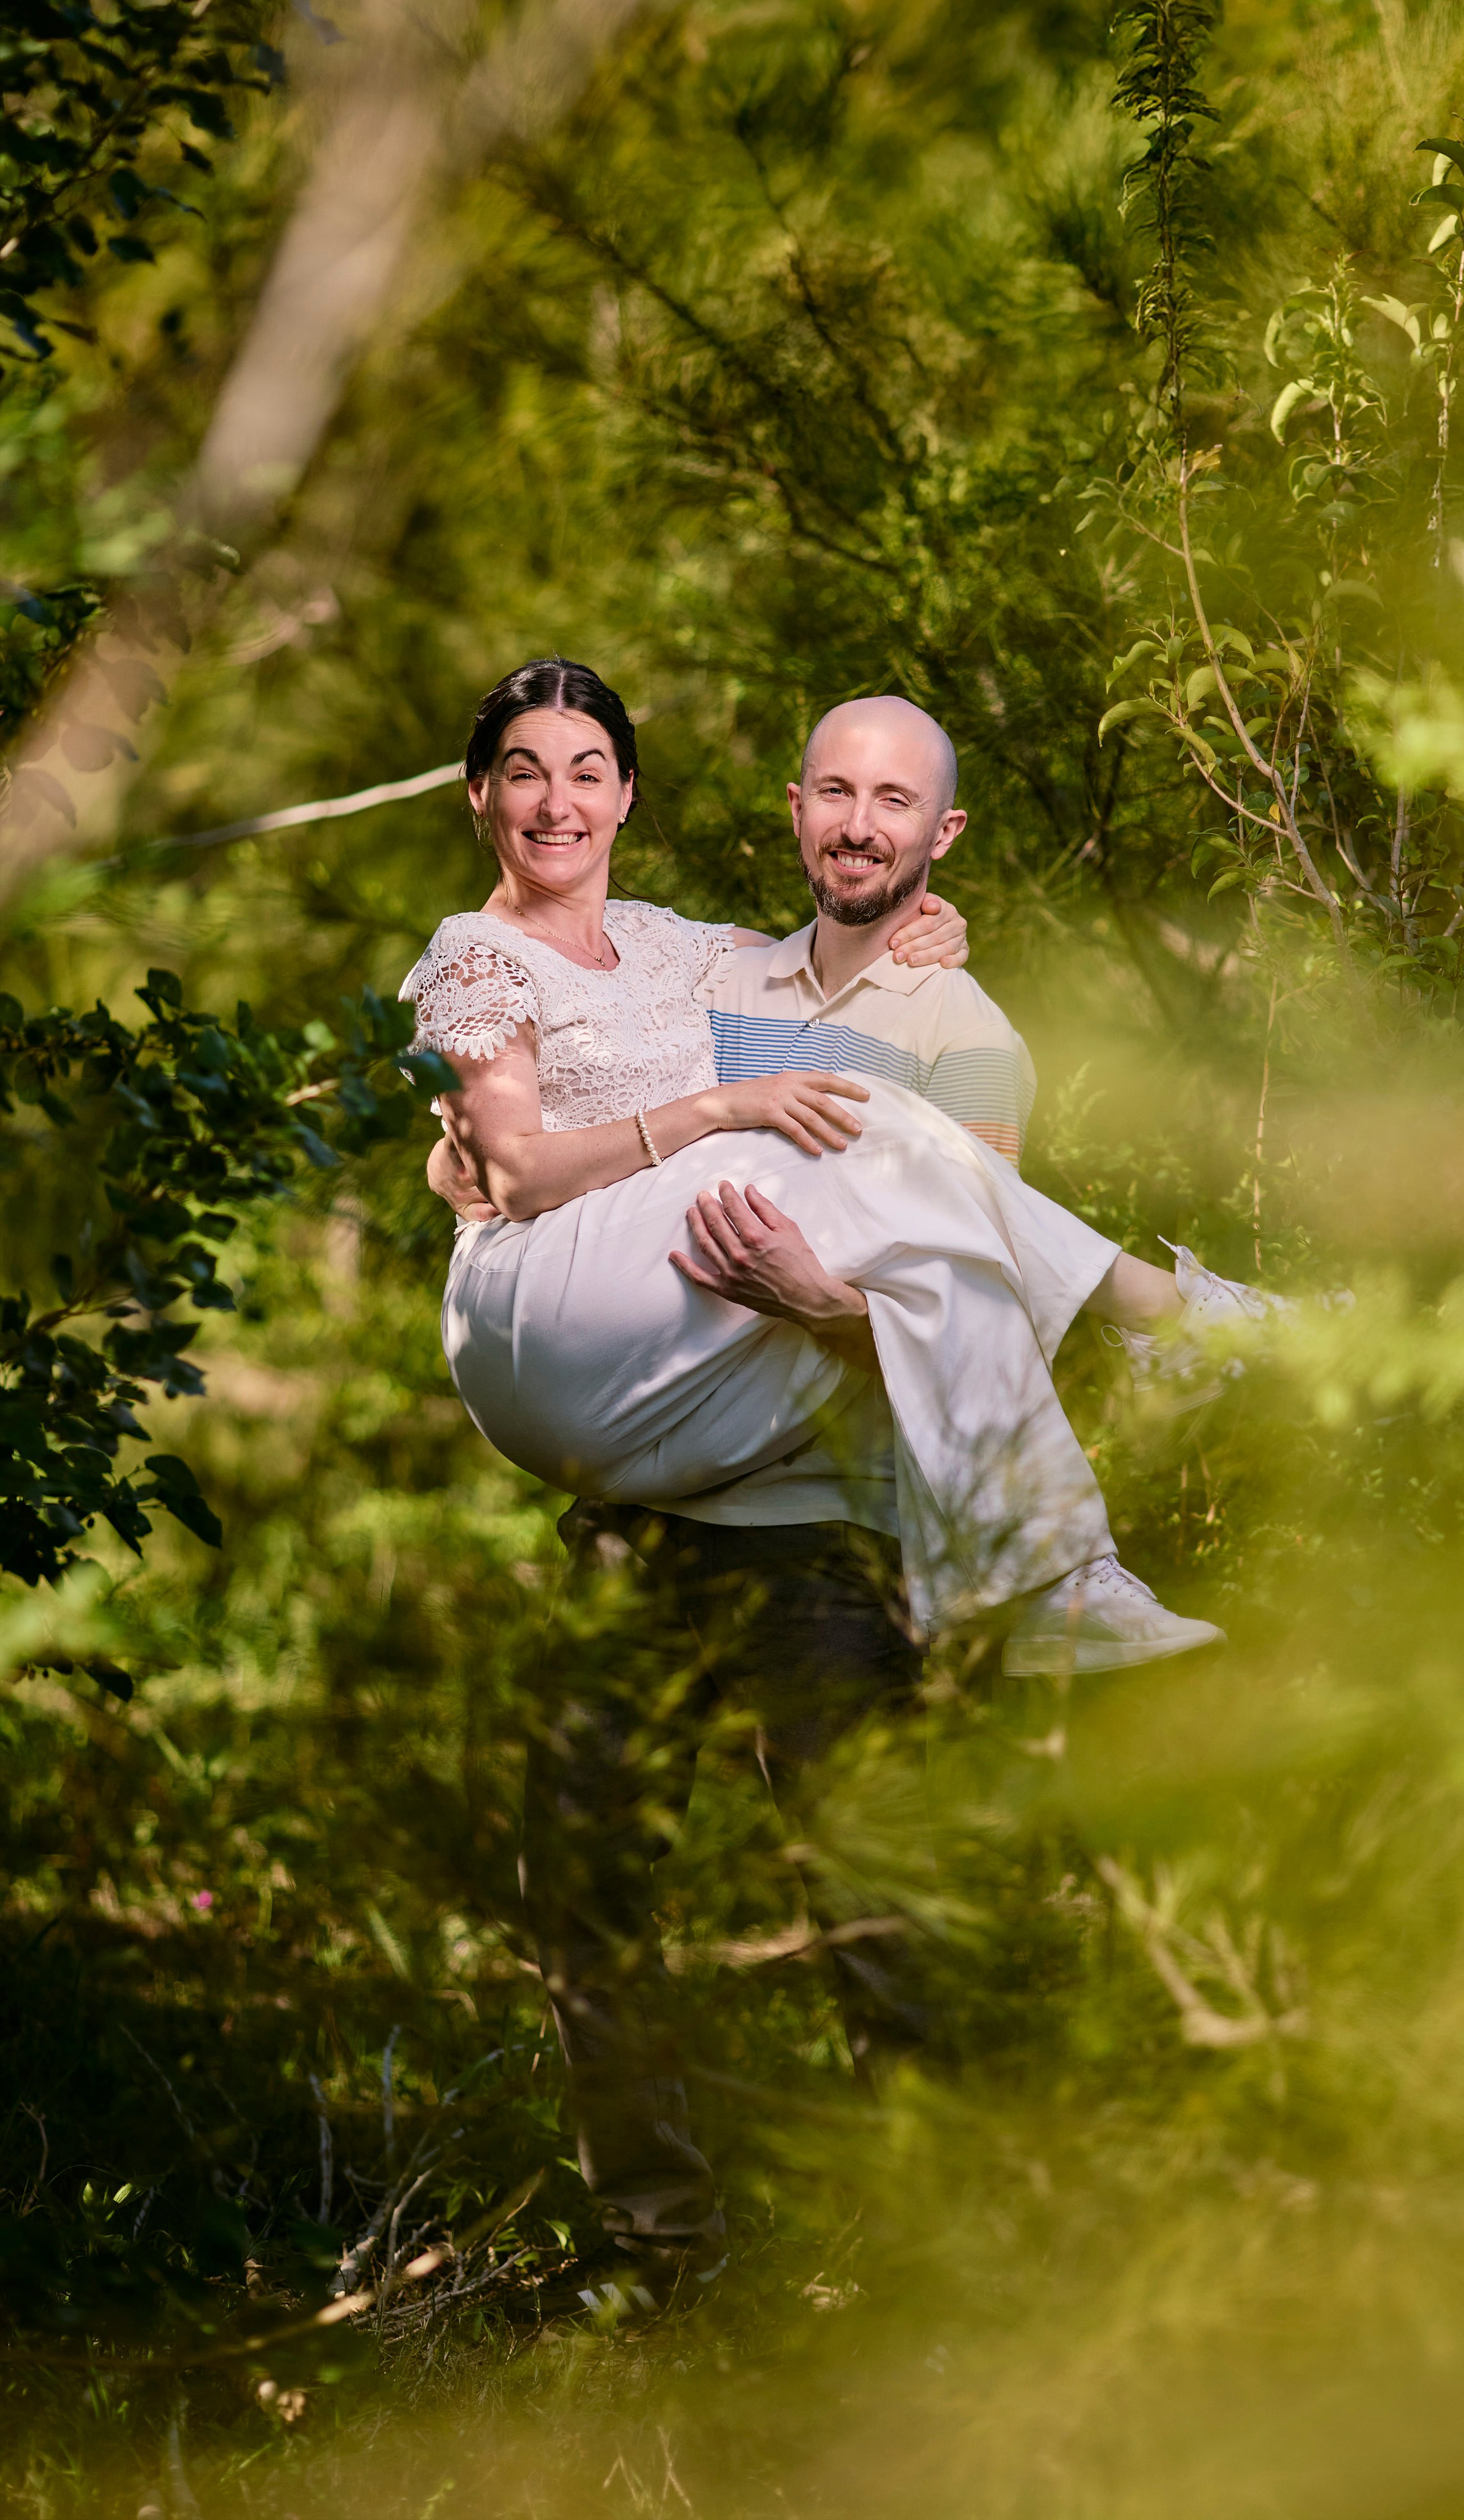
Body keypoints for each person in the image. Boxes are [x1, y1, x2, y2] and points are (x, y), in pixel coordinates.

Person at [402, 657, 1275, 2285]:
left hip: (817, 1525)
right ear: (790, 809)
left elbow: (965, 1285)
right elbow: (532, 1064)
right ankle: (657, 2253)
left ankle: (943, 2271)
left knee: (874, 1907)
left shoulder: (965, 1032)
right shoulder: (709, 965)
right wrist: (459, 1141)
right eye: (833, 791)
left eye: (893, 802)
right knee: (585, 1883)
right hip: (643, 1508)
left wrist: (832, 1302)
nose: (857, 827)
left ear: (939, 834)